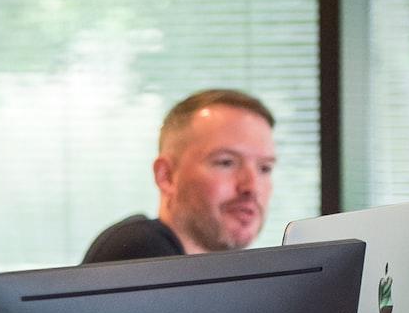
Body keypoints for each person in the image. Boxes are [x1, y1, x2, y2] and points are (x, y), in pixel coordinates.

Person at [82, 89, 277, 264]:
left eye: (265, 168)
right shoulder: (139, 252)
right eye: (226, 162)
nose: (251, 187)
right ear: (166, 176)